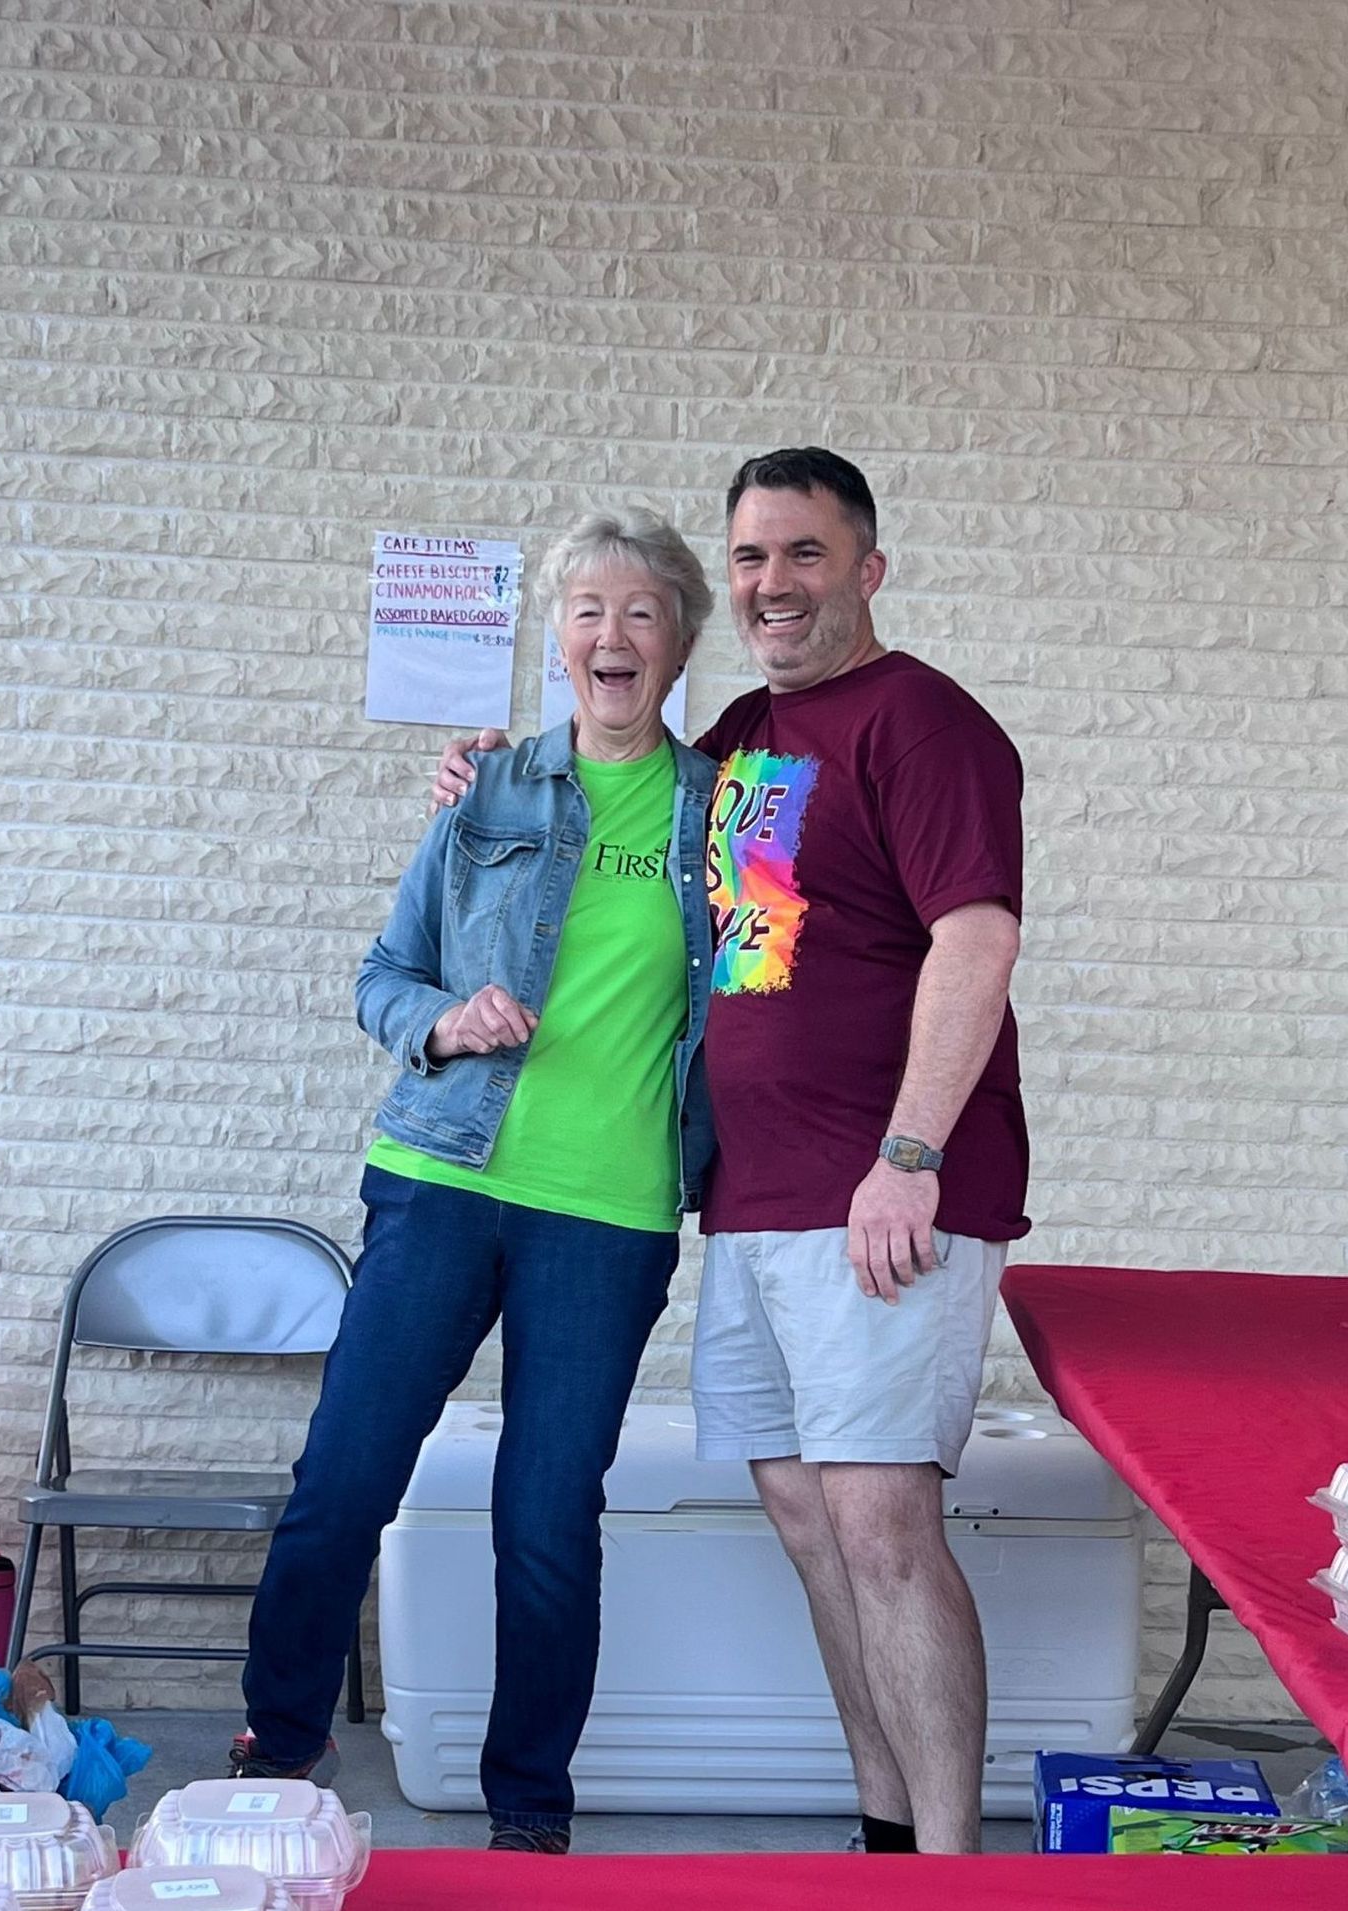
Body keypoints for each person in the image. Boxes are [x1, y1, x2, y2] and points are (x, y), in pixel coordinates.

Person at [431, 448, 1029, 1855]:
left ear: (866, 570)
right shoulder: (750, 735)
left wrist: (910, 1152)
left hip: (880, 1192)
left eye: (805, 555)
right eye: (751, 557)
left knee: (881, 1522)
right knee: (808, 1517)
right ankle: (885, 1838)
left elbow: (976, 937)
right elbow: (614, 804)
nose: (772, 583)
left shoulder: (922, 721)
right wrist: (480, 768)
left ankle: (948, 1869)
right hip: (753, 1200)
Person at [232, 509, 717, 1856]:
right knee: (344, 1477)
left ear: (681, 642)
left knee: (547, 1519)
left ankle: (527, 1816)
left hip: (607, 1216)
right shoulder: (490, 792)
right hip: (441, 1180)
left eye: (641, 613)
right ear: (555, 638)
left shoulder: (723, 809)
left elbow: (771, 982)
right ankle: (277, 1751)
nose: (611, 635)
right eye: (587, 611)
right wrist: (442, 1023)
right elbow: (381, 976)